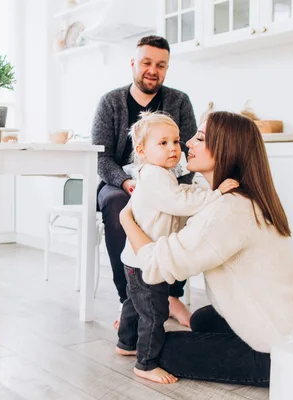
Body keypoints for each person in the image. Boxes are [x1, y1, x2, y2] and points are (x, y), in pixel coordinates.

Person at [116, 111, 293, 387]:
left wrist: (126, 219)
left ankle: (264, 360)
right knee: (203, 319)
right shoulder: (240, 196)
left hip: (282, 350)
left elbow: (156, 266)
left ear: (226, 149)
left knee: (160, 350)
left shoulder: (227, 210)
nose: (187, 144)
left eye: (200, 138)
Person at [120, 111, 239, 384]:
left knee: (133, 304)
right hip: (146, 260)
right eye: (163, 143)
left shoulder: (158, 173)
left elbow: (181, 195)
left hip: (135, 258)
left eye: (175, 141)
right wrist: (217, 193)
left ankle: (125, 342)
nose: (174, 148)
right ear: (141, 150)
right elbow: (178, 203)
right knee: (154, 312)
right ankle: (146, 363)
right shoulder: (155, 176)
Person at [92, 35, 197, 327]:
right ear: (133, 63)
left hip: (168, 179)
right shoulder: (110, 103)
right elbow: (101, 158)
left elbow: (188, 151)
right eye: (147, 62)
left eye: (161, 65)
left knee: (182, 207)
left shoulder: (179, 101)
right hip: (121, 183)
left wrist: (173, 189)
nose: (153, 70)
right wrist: (126, 183)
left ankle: (171, 296)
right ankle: (130, 300)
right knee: (117, 207)